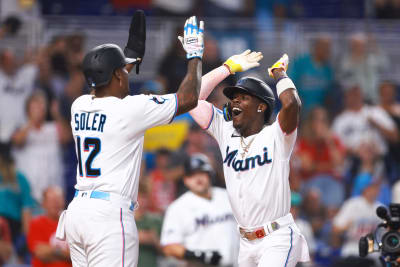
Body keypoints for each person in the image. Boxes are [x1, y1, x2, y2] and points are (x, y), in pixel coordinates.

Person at [57, 13, 204, 267]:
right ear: (116, 75)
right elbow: (189, 97)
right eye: (122, 71)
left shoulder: (79, 105)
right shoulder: (131, 109)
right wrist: (194, 55)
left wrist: (126, 60)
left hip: (78, 214)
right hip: (109, 217)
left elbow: (102, 83)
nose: (127, 75)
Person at [189, 51, 310, 266]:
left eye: (243, 98)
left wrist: (279, 73)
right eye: (233, 98)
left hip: (276, 237)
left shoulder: (277, 135)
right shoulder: (225, 131)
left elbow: (291, 103)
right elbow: (191, 98)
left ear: (261, 106)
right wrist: (226, 68)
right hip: (245, 244)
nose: (234, 102)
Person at [161, 153, 239, 266]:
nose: (197, 178)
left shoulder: (228, 196)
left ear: (210, 175)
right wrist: (199, 255)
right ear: (185, 180)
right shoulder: (177, 207)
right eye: (192, 175)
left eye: (201, 173)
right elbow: (169, 247)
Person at [27, 186, 71, 267]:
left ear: (64, 201)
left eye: (58, 199)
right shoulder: (36, 224)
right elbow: (40, 254)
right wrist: (65, 254)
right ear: (43, 204)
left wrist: (52, 251)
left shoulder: (71, 223)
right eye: (51, 201)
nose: (55, 203)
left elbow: (77, 255)